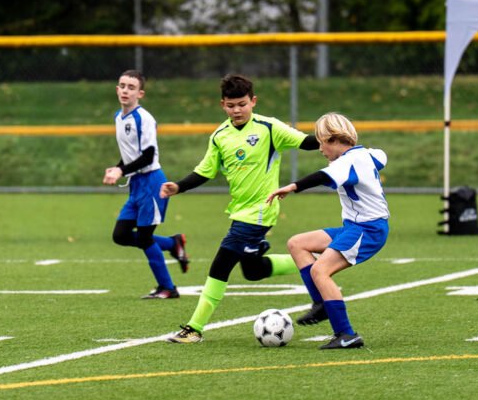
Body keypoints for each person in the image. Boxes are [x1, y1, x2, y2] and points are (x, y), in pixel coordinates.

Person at [161, 74, 319, 343]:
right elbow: (204, 171)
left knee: (221, 265)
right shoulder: (219, 136)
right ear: (222, 104)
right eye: (231, 105)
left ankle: (194, 328)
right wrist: (179, 186)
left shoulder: (269, 127)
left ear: (253, 101)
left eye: (242, 104)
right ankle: (309, 260)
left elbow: (307, 142)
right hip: (239, 211)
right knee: (253, 270)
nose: (237, 110)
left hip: (261, 211)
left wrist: (333, 135)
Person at [265, 112, 389, 349]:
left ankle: (346, 334)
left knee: (320, 270)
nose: (320, 149)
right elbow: (381, 156)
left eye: (322, 143)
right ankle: (321, 304)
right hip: (355, 227)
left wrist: (292, 186)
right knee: (297, 243)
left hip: (368, 229)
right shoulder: (367, 154)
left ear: (334, 139)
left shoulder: (347, 162)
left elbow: (322, 176)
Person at [103, 70, 190, 299]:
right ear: (117, 89)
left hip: (152, 183)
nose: (125, 90)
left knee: (144, 238)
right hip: (136, 185)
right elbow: (131, 155)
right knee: (121, 235)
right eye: (122, 86)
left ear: (140, 93)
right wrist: (117, 167)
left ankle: (168, 288)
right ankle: (173, 243)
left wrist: (121, 171)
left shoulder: (144, 118)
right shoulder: (119, 117)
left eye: (131, 87)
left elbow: (148, 156)